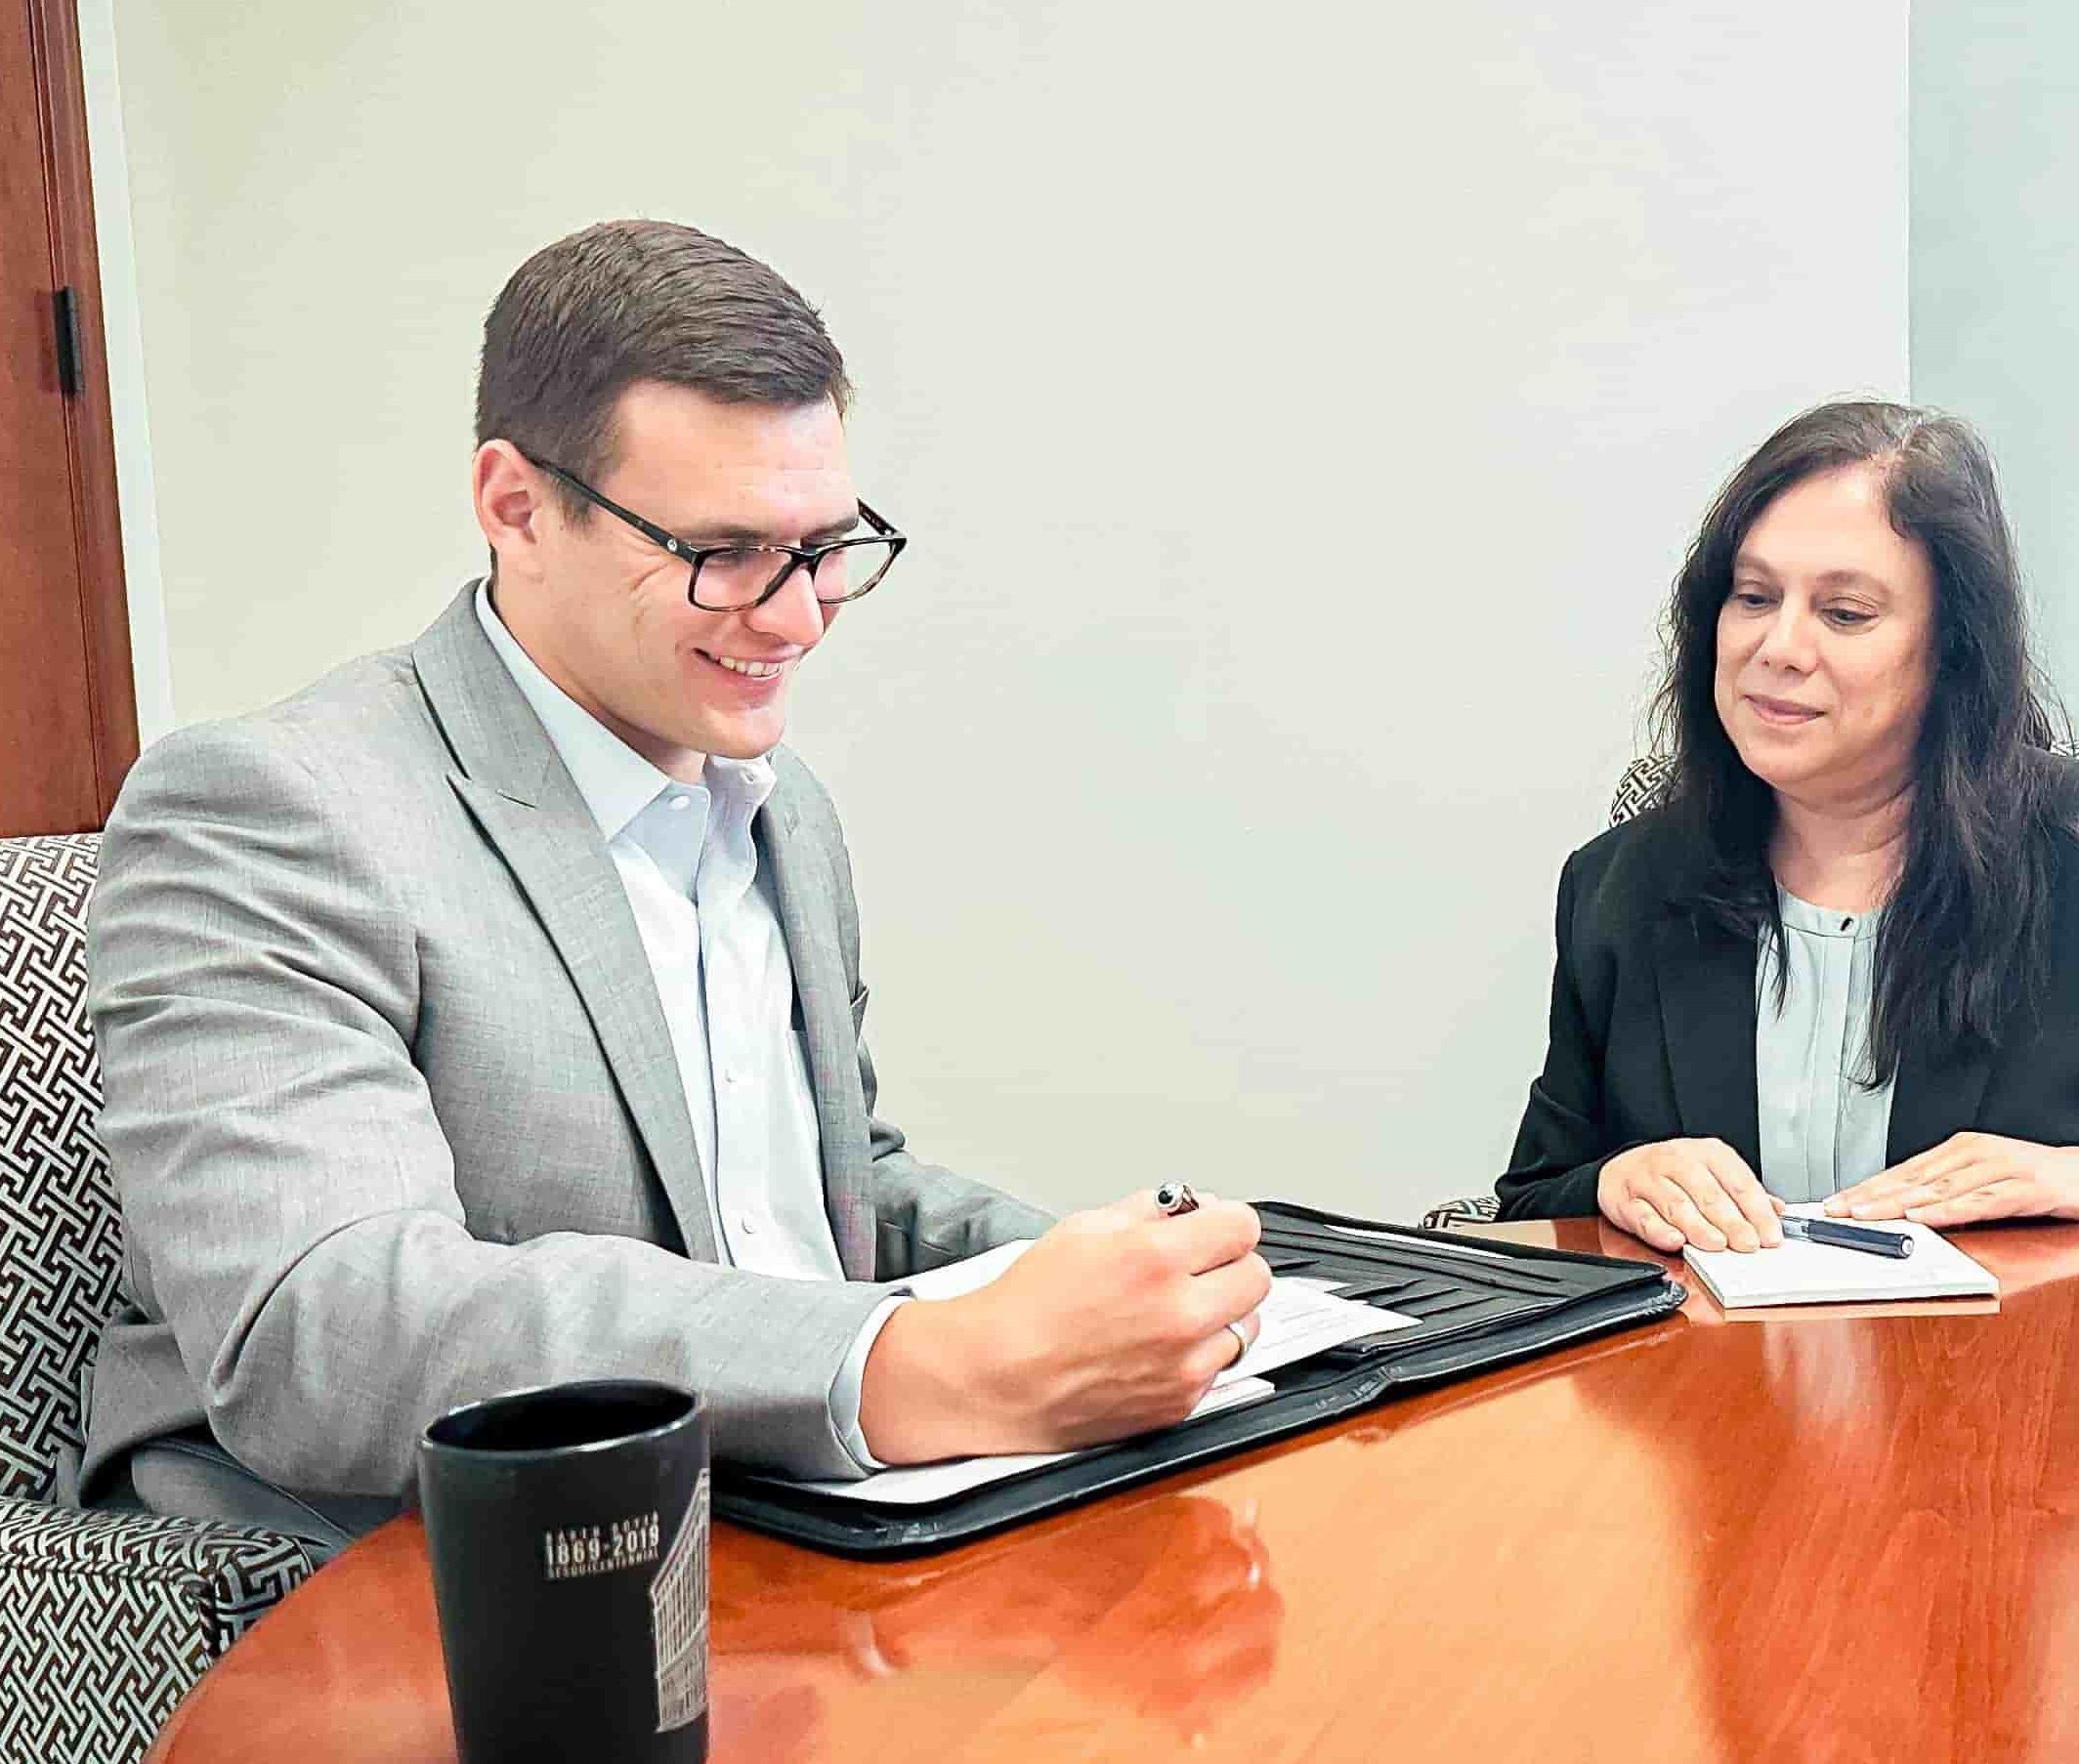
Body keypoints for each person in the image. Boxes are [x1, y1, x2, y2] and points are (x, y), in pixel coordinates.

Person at [76, 220, 1268, 1544]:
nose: (797, 618)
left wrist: (1119, 1292)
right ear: (517, 508)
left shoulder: (777, 804)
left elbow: (823, 1197)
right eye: (726, 552)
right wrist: (908, 1366)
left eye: (827, 550)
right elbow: (330, 1322)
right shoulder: (272, 807)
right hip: (408, 1553)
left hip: (771, 1497)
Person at [1495, 400, 2079, 1250]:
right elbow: (1533, 1197)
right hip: (1715, 1412)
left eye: (1845, 612)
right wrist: (1618, 1179)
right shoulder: (1621, 882)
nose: (1778, 649)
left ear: (1952, 652)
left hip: (2041, 1403)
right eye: (1753, 597)